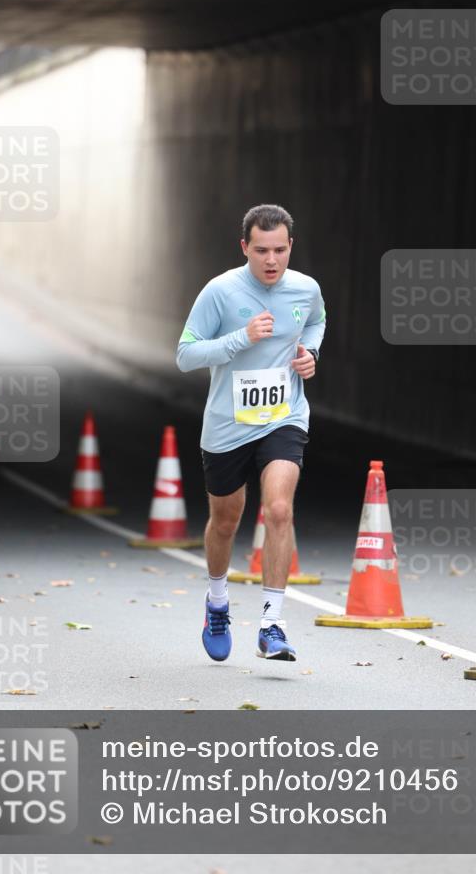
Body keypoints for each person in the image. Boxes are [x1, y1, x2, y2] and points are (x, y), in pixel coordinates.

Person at [176, 204, 326, 662]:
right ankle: (217, 602)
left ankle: (271, 623)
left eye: (279, 250)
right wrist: (241, 338)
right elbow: (186, 354)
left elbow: (316, 320)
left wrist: (310, 354)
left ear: (290, 247)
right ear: (245, 247)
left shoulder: (306, 289)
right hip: (227, 425)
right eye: (261, 250)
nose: (271, 260)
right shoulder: (220, 292)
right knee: (225, 521)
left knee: (279, 509)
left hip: (284, 416)